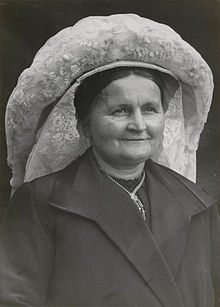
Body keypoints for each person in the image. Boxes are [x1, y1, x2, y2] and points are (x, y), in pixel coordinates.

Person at [0, 14, 219, 307]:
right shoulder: (41, 203)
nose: (139, 124)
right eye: (120, 111)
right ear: (85, 125)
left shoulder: (197, 203)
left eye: (150, 109)